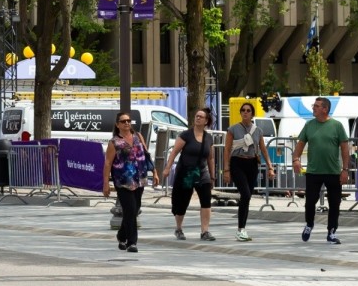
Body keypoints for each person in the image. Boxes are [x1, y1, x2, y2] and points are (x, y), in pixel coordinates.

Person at [290, 97, 351, 245]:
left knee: (334, 203)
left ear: (325, 109)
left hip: (333, 172)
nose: (313, 108)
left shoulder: (337, 126)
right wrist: (296, 160)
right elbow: (300, 144)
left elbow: (344, 148)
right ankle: (309, 224)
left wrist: (345, 170)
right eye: (314, 106)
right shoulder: (309, 125)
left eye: (316, 106)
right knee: (310, 201)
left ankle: (331, 232)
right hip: (313, 171)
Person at [101, 111, 158, 253]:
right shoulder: (114, 142)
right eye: (123, 121)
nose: (127, 123)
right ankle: (132, 243)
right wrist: (106, 184)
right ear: (117, 124)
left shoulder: (138, 136)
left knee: (134, 210)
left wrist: (154, 172)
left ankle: (121, 235)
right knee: (130, 209)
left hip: (140, 179)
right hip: (123, 181)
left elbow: (146, 155)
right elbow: (108, 163)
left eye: (128, 120)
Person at [162, 108, 216, 241]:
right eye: (197, 116)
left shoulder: (208, 138)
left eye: (201, 117)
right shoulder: (185, 135)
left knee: (206, 201)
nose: (198, 118)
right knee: (182, 203)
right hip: (185, 172)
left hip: (202, 173)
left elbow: (210, 158)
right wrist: (167, 168)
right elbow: (174, 152)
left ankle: (205, 231)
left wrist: (213, 176)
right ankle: (178, 228)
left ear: (206, 121)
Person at [223, 101, 267, 241]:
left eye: (248, 110)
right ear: (240, 113)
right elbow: (227, 149)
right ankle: (240, 229)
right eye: (243, 110)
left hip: (252, 163)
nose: (245, 112)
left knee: (246, 198)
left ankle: (242, 229)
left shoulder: (258, 130)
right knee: (246, 194)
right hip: (237, 162)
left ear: (252, 113)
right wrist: (226, 169)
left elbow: (263, 149)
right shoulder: (233, 129)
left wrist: (270, 166)